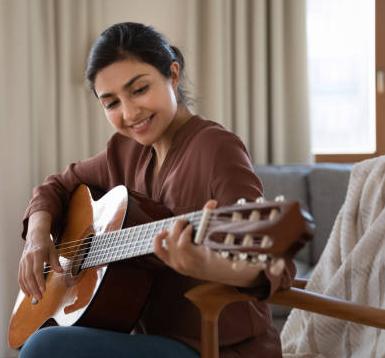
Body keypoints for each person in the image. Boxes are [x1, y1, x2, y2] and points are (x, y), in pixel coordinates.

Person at [17, 22, 295, 358]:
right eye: (111, 103)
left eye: (139, 90)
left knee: (44, 348)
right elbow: (57, 185)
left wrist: (206, 265)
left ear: (173, 75)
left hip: (218, 348)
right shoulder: (124, 150)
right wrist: (37, 236)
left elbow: (272, 265)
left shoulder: (216, 148)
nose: (130, 113)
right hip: (150, 340)